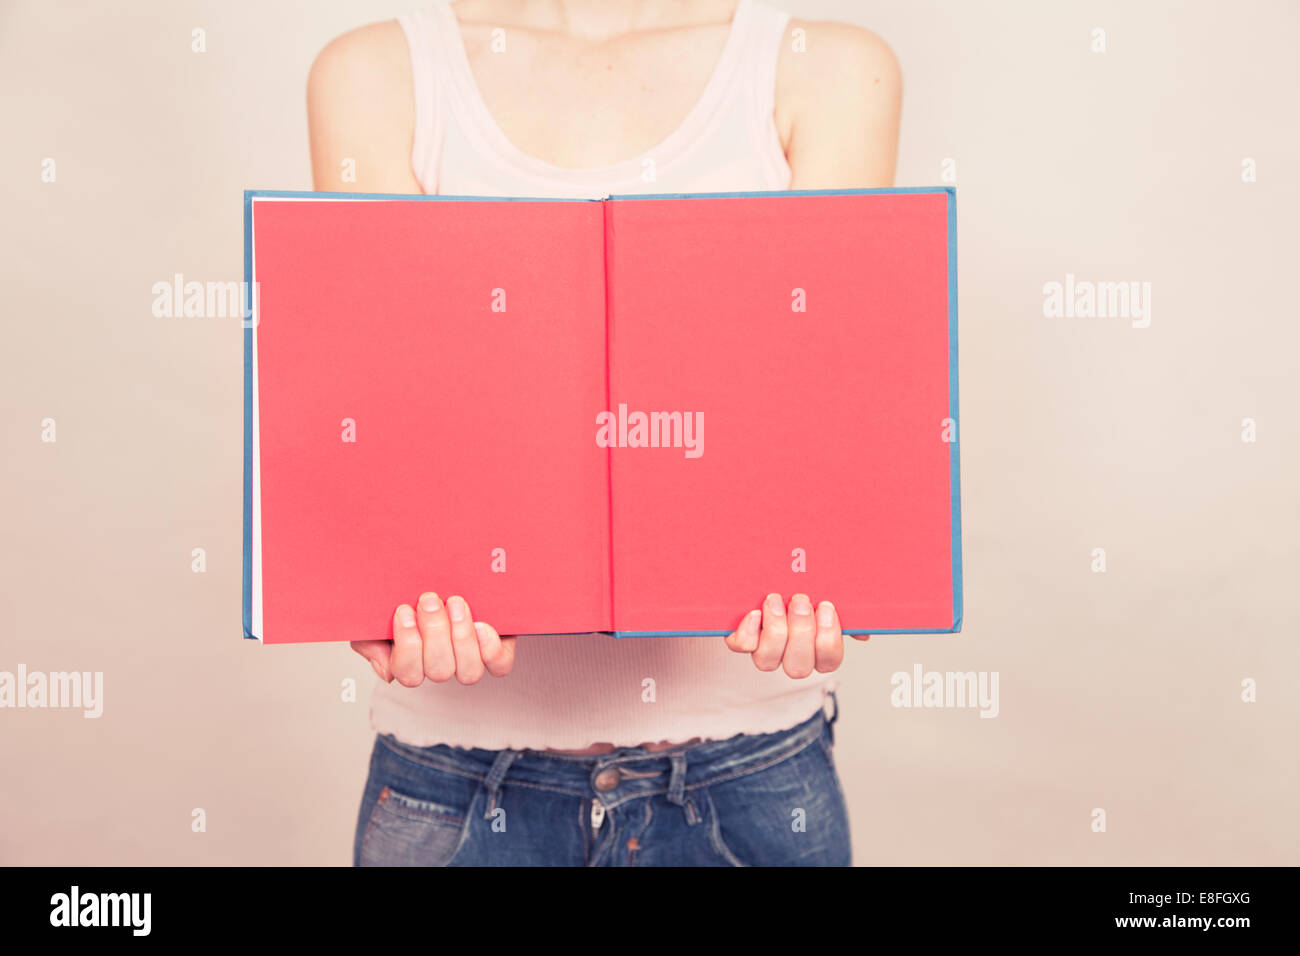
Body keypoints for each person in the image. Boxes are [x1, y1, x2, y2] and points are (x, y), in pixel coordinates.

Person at [307, 0, 901, 866]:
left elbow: (830, 428)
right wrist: (380, 589)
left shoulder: (832, 68)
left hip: (751, 784)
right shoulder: (372, 73)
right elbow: (392, 438)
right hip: (455, 788)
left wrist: (843, 573)